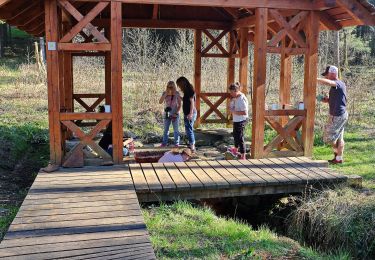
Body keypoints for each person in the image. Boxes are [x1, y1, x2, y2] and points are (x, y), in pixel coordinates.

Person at [317, 65, 348, 164]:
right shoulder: (336, 86)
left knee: (328, 138)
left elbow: (330, 82)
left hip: (338, 115)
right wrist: (324, 99)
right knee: (339, 138)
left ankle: (336, 155)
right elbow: (332, 100)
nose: (326, 77)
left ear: (333, 73)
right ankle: (338, 158)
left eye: (326, 75)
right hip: (340, 114)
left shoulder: (338, 83)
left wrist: (314, 79)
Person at [227, 82, 249, 160]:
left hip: (242, 120)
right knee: (235, 135)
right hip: (236, 119)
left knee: (240, 137)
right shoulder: (234, 98)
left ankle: (243, 155)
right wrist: (231, 106)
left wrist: (234, 112)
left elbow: (245, 112)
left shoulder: (242, 98)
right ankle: (235, 149)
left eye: (231, 93)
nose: (231, 94)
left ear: (236, 91)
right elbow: (231, 107)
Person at [176, 76, 197, 152]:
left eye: (179, 85)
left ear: (182, 84)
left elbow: (192, 102)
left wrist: (190, 113)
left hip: (190, 113)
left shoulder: (190, 90)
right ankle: (191, 144)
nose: (178, 87)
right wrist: (179, 97)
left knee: (189, 130)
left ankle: (192, 146)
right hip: (187, 113)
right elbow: (186, 101)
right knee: (188, 129)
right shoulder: (186, 91)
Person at [159, 81, 181, 147]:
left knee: (176, 129)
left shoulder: (177, 93)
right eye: (169, 87)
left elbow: (180, 105)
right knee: (166, 129)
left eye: (172, 87)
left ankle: (176, 143)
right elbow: (160, 102)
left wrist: (176, 113)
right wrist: (165, 94)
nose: (170, 88)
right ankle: (164, 143)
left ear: (174, 87)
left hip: (175, 113)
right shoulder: (164, 93)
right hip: (167, 113)